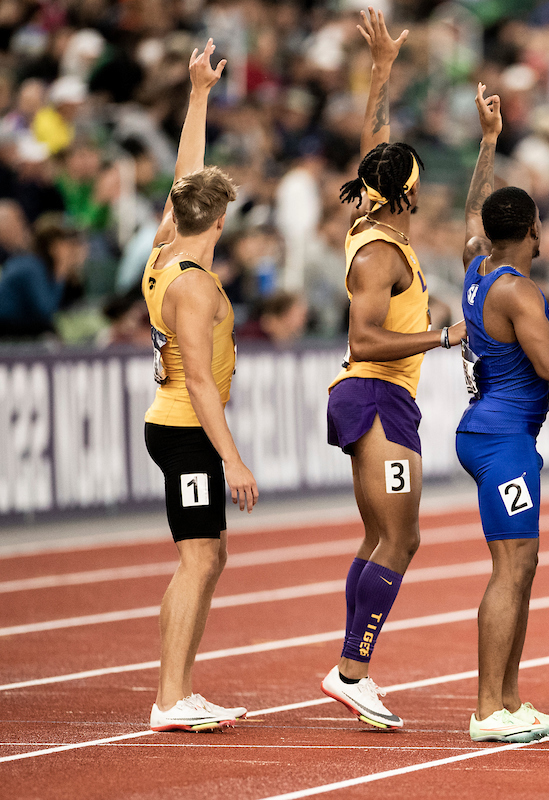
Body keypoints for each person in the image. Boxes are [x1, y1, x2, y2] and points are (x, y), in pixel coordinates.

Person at [319, 9, 465, 730]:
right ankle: (352, 670)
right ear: (406, 192)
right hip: (375, 393)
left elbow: (371, 147)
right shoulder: (378, 253)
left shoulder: (373, 227)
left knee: (381, 539)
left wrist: (380, 71)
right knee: (401, 538)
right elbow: (365, 339)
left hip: (382, 399)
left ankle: (352, 667)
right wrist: (440, 340)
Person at [456, 84, 549, 743]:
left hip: (495, 430)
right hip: (504, 436)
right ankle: (490, 707)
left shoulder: (475, 265)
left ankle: (508, 700)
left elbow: (469, 221)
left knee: (523, 563)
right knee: (512, 567)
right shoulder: (518, 290)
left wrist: (489, 142)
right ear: (535, 230)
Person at [143, 40, 257, 733]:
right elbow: (200, 384)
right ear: (221, 222)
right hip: (187, 426)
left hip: (181, 422)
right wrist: (233, 458)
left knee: (205, 557)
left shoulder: (166, 246)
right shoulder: (190, 288)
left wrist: (198, 95)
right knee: (200, 557)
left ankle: (176, 687)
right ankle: (170, 696)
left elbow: (186, 177)